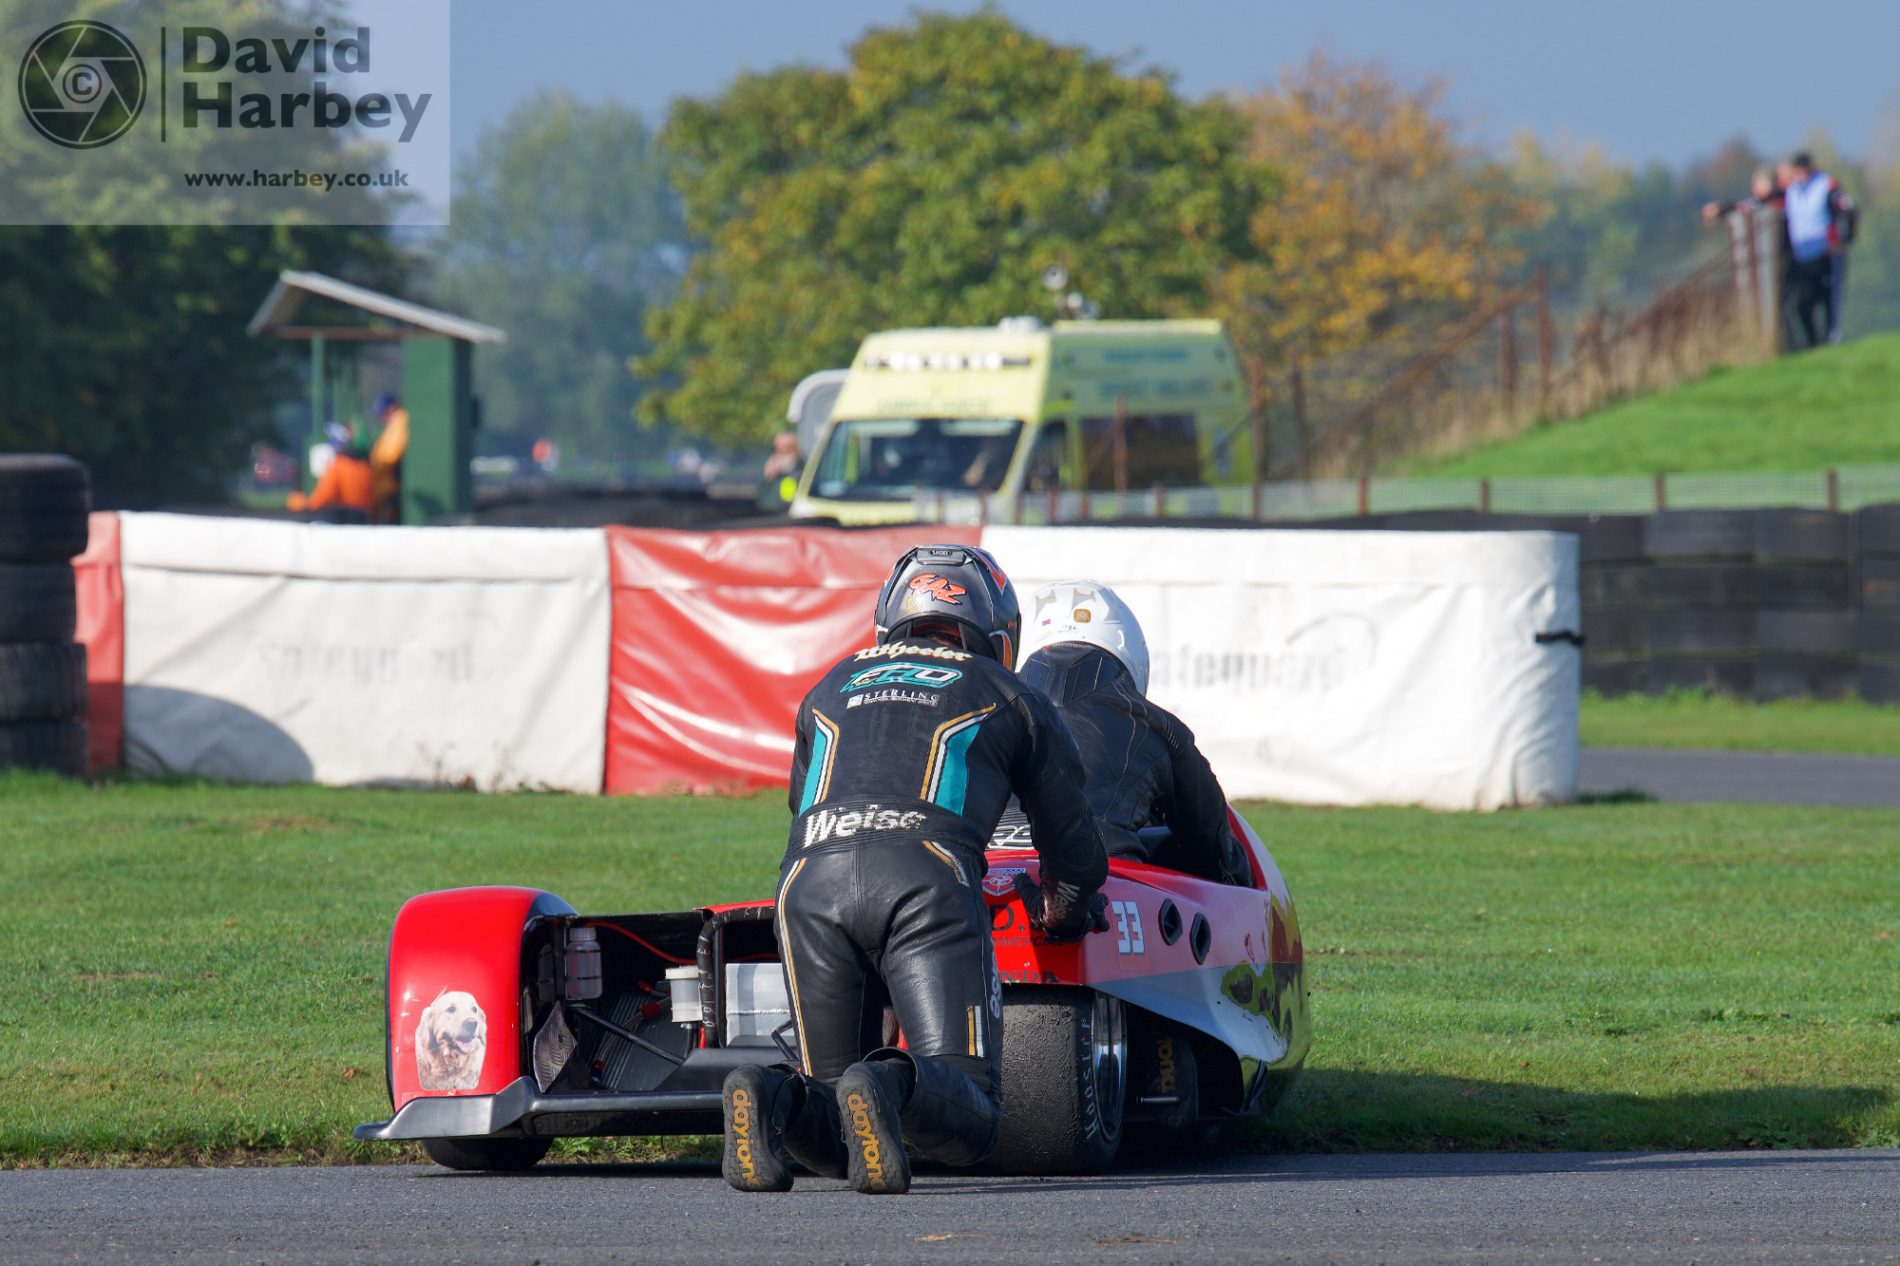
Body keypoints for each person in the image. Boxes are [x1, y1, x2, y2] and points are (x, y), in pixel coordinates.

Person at [721, 544, 1108, 1196]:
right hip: (925, 874)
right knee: (975, 1114)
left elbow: (801, 806)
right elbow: (1073, 842)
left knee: (832, 1108)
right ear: (998, 630)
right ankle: (891, 1083)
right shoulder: (1010, 692)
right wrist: (1064, 909)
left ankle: (764, 1094)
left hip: (807, 883)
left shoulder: (829, 685)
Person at [1016, 579, 1252, 888]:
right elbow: (1217, 853)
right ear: (1129, 650)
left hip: (985, 885)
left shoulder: (983, 708)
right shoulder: (1159, 726)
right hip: (1104, 893)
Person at [1780, 152, 1858, 349]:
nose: (1799, 175)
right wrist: (1722, 209)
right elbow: (1762, 202)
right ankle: (1813, 343)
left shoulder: (1826, 185)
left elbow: (1850, 209)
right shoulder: (1791, 191)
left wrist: (1847, 238)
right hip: (1802, 257)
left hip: (1825, 254)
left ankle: (1830, 341)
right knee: (1802, 303)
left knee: (1828, 302)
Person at [287, 422, 374, 515]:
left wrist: (297, 502)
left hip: (347, 522)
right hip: (366, 521)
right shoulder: (367, 466)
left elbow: (319, 501)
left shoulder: (338, 467)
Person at [368, 393, 409, 525]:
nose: (382, 416)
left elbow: (391, 457)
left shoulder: (400, 420)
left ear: (392, 408)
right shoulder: (393, 424)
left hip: (391, 484)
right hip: (384, 484)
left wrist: (378, 464)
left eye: (384, 411)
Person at [757, 428, 803, 510]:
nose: (779, 455)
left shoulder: (798, 474)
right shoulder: (772, 473)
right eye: (776, 450)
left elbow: (782, 503)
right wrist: (768, 478)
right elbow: (761, 500)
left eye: (785, 450)